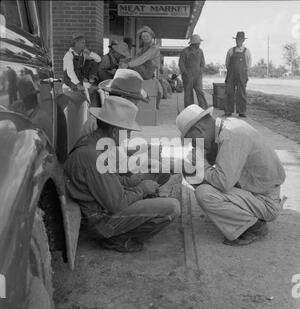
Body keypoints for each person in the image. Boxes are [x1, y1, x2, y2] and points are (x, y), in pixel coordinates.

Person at [64, 96, 180, 252]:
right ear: (115, 131)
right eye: (127, 131)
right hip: (102, 220)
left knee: (158, 172)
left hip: (107, 204)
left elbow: (114, 181)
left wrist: (137, 180)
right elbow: (116, 204)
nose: (129, 135)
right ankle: (117, 239)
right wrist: (142, 189)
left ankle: (142, 205)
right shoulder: (92, 155)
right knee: (172, 207)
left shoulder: (96, 144)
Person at [176, 105, 286, 246]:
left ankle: (254, 227)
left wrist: (201, 163)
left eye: (192, 140)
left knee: (204, 194)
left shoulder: (232, 134)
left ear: (199, 130)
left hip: (265, 200)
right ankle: (234, 215)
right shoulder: (223, 128)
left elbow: (223, 182)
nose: (193, 144)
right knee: (191, 171)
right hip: (253, 190)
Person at [80, 68, 149, 137]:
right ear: (124, 99)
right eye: (135, 100)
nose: (136, 105)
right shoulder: (115, 122)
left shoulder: (98, 118)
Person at [225, 31, 252, 117]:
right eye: (237, 39)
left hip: (242, 75)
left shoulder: (247, 52)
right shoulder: (230, 51)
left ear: (243, 40)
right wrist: (232, 71)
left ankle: (242, 111)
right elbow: (227, 63)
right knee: (229, 92)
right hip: (231, 75)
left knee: (241, 93)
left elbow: (248, 64)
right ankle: (228, 111)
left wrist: (243, 72)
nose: (238, 41)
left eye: (240, 39)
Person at [179, 34, 208, 109]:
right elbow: (181, 64)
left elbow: (203, 63)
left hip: (198, 76)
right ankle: (190, 110)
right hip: (187, 77)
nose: (199, 44)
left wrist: (200, 71)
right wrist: (185, 73)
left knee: (200, 92)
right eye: (198, 43)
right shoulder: (185, 51)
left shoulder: (200, 51)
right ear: (194, 43)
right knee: (188, 94)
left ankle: (204, 109)